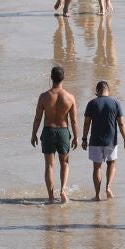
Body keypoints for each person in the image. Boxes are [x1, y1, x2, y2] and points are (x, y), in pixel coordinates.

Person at [30, 66, 80, 203]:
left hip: (48, 131)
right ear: (63, 78)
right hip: (63, 131)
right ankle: (63, 190)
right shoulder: (70, 97)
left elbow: (37, 118)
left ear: (51, 78)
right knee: (64, 162)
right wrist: (76, 137)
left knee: (49, 165)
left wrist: (34, 134)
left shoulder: (44, 97)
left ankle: (51, 197)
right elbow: (74, 121)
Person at [82, 80, 125, 200]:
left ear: (97, 91)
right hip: (111, 141)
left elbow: (86, 124)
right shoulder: (115, 103)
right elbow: (121, 124)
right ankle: (108, 187)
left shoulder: (91, 103)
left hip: (95, 141)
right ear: (109, 91)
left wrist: (84, 139)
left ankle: (97, 195)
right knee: (111, 163)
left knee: (97, 167)